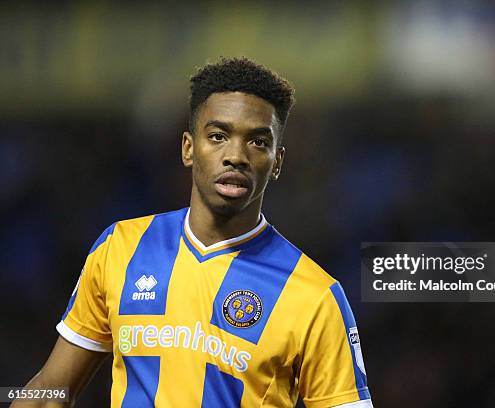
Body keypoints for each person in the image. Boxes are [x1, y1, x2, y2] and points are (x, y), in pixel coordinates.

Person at [13, 57, 372, 408]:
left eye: (258, 142)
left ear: (276, 163)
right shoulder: (120, 248)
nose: (236, 156)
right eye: (218, 136)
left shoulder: (315, 297)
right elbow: (48, 393)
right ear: (188, 148)